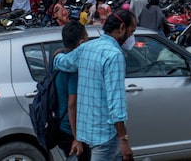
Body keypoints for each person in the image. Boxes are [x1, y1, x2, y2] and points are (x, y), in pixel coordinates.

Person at [53, 11, 137, 161]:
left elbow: (64, 62)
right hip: (104, 136)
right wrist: (123, 139)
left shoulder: (88, 47)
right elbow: (116, 103)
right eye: (131, 32)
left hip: (86, 132)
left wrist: (57, 55)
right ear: (122, 28)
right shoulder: (114, 55)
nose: (132, 37)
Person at [54, 21, 91, 161]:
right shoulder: (74, 71)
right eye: (87, 39)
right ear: (82, 43)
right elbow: (72, 105)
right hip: (71, 129)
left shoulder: (58, 60)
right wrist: (77, 139)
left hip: (61, 124)